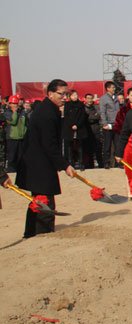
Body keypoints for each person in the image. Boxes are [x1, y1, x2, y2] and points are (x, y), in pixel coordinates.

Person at [15, 79, 76, 237]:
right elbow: (49, 144)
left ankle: (31, 233)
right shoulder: (47, 113)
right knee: (44, 200)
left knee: (38, 199)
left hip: (39, 162)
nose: (64, 98)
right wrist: (65, 165)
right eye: (61, 94)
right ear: (50, 94)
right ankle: (43, 234)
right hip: (38, 164)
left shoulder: (49, 109)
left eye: (66, 94)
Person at [62, 90, 88, 170]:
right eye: (73, 95)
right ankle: (71, 163)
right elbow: (66, 116)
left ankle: (81, 163)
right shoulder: (67, 105)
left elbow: (82, 116)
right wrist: (71, 125)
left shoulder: (81, 104)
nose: (75, 96)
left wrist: (77, 125)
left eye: (76, 95)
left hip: (79, 128)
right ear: (70, 97)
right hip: (69, 129)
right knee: (69, 147)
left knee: (80, 146)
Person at [99, 81, 120, 169]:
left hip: (116, 124)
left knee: (117, 145)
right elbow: (102, 112)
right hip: (108, 125)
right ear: (107, 88)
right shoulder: (103, 98)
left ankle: (118, 163)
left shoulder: (116, 98)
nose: (114, 89)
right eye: (112, 87)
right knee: (107, 145)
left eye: (114, 87)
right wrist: (104, 123)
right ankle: (106, 163)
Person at [4, 95, 27, 172]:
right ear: (9, 104)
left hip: (21, 137)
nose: (15, 105)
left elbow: (25, 123)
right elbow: (13, 122)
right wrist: (14, 112)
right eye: (13, 103)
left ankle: (19, 170)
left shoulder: (22, 112)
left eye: (16, 103)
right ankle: (11, 170)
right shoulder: (7, 112)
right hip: (12, 137)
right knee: (12, 156)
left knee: (20, 156)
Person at [83, 93, 102, 169]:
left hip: (96, 130)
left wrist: (91, 117)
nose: (90, 100)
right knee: (88, 149)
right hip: (87, 131)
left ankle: (101, 164)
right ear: (85, 99)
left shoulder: (96, 107)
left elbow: (99, 116)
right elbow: (85, 118)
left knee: (98, 148)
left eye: (91, 98)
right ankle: (89, 165)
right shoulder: (83, 108)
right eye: (88, 98)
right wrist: (93, 117)